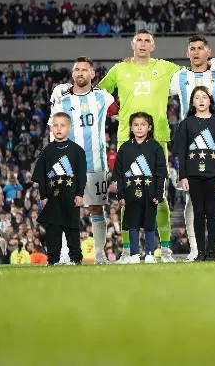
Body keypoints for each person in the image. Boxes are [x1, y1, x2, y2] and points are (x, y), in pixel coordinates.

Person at [98, 29, 182, 263]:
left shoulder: (165, 67)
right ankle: (128, 251)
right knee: (128, 197)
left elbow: (191, 77)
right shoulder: (119, 69)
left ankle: (164, 250)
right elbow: (100, 93)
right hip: (127, 137)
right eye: (139, 41)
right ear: (132, 44)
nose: (143, 44)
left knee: (159, 194)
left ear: (153, 46)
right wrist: (117, 112)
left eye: (148, 41)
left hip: (157, 139)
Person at [170, 35, 215, 262]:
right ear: (187, 53)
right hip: (190, 147)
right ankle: (195, 251)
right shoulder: (179, 77)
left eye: (200, 48)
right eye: (192, 49)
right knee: (192, 202)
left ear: (208, 51)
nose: (197, 52)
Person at [49, 56, 117, 264]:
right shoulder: (62, 99)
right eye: (77, 70)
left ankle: (99, 254)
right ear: (72, 74)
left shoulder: (103, 97)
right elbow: (54, 130)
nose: (80, 73)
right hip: (67, 167)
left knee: (96, 208)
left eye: (84, 70)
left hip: (96, 164)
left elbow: (121, 114)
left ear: (92, 74)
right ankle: (64, 256)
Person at [173, 86, 215, 262]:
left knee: (211, 212)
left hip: (214, 174)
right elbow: (181, 152)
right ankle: (200, 252)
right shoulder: (186, 124)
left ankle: (211, 252)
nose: (200, 100)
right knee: (198, 212)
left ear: (210, 101)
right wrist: (182, 176)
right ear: (192, 102)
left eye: (204, 97)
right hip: (192, 174)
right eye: (197, 97)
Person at [32, 112, 87, 266]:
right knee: (53, 231)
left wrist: (80, 193)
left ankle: (76, 259)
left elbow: (81, 175)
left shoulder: (77, 151)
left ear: (69, 128)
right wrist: (43, 196)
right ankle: (53, 260)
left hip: (71, 197)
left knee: (72, 230)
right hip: (52, 198)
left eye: (62, 125)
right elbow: (41, 176)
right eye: (55, 125)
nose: (59, 128)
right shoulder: (47, 151)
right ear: (51, 128)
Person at [113, 113, 167, 264]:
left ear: (149, 127)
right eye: (136, 125)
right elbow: (119, 174)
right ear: (131, 127)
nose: (139, 128)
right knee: (133, 224)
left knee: (150, 224)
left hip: (150, 194)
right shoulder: (124, 148)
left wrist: (158, 192)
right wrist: (121, 194)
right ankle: (134, 254)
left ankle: (149, 253)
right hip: (130, 194)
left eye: (143, 125)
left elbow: (160, 171)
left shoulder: (155, 147)